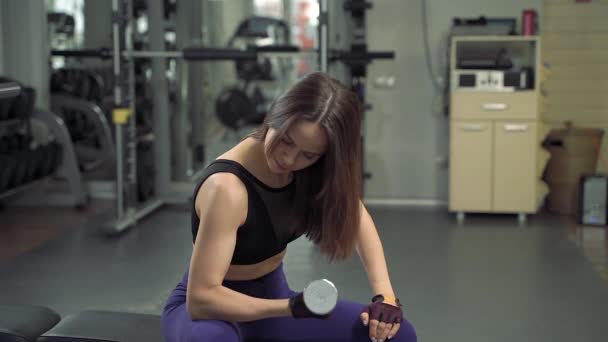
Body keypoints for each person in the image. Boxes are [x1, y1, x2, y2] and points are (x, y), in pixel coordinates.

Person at [162, 72, 417, 342]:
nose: (288, 158)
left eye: (307, 154)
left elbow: (355, 213)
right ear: (275, 116)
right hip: (213, 312)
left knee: (400, 336)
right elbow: (201, 299)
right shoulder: (227, 188)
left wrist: (385, 296)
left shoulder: (313, 171)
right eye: (286, 140)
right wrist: (289, 308)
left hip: (273, 300)